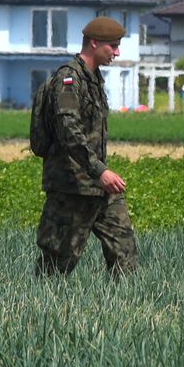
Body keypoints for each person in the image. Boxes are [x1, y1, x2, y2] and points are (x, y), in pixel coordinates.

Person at [36, 16, 137, 276]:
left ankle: (127, 308)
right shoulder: (69, 80)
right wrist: (99, 170)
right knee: (58, 262)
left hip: (98, 185)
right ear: (94, 43)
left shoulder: (94, 79)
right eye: (112, 46)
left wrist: (99, 174)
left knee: (124, 248)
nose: (117, 52)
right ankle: (36, 308)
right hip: (71, 185)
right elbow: (69, 132)